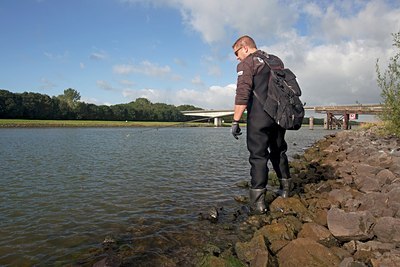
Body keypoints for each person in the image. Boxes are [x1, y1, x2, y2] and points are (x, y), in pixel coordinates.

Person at [231, 35, 292, 214]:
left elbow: (243, 93)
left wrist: (235, 120)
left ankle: (258, 203)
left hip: (259, 117)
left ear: (245, 48)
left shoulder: (247, 63)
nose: (236, 57)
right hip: (279, 116)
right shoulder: (274, 60)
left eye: (236, 52)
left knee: (258, 157)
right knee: (279, 151)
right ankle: (286, 189)